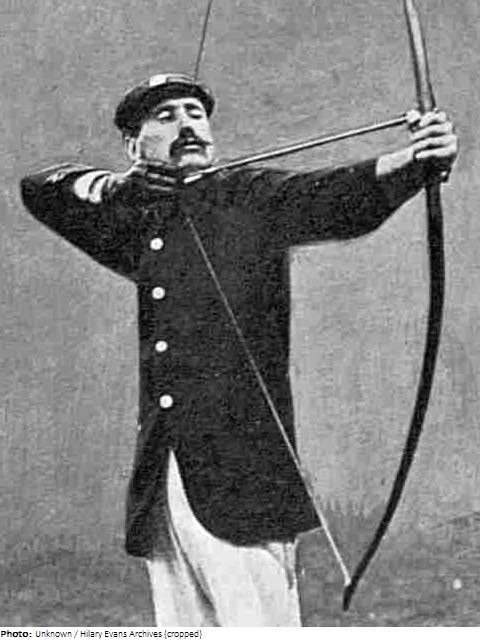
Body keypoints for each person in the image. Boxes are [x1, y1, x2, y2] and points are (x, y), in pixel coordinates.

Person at [20, 73, 458, 627]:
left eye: (195, 113)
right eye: (165, 117)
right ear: (134, 146)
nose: (187, 125)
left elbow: (340, 196)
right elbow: (39, 189)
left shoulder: (251, 197)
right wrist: (113, 187)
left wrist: (418, 159)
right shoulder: (136, 222)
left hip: (243, 481)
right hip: (165, 480)